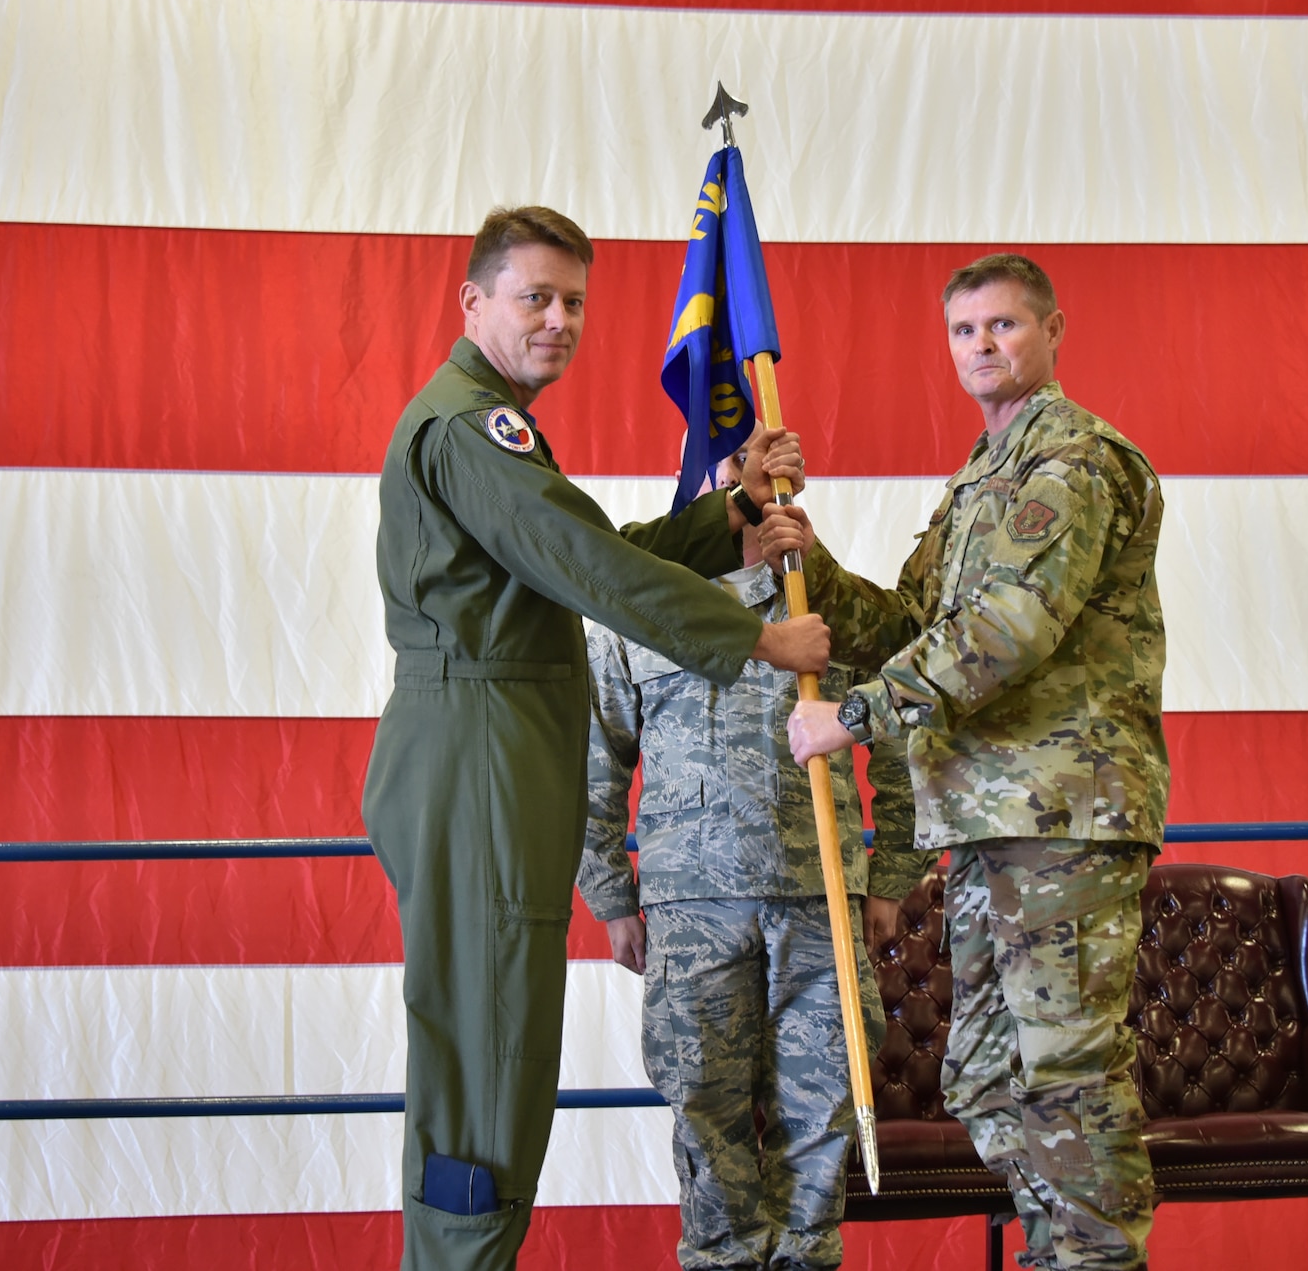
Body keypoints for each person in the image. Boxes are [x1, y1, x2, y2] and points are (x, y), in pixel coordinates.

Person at [361, 204, 830, 1271]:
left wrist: (723, 517)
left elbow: (576, 546)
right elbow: (587, 569)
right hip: (477, 751)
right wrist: (755, 640)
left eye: (574, 301)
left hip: (487, 747)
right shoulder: (468, 427)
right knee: (488, 1050)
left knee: (492, 1042)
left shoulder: (486, 427)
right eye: (535, 297)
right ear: (473, 302)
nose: (560, 319)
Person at [773, 253, 1167, 1270]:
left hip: (1059, 816)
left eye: (1002, 325)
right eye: (963, 331)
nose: (982, 346)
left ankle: (1095, 1260)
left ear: (1051, 329)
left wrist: (853, 717)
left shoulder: (1070, 463)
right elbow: (911, 624)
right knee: (988, 1079)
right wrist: (802, 560)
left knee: (1067, 1076)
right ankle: (1060, 1257)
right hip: (986, 820)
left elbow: (1008, 629)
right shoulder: (974, 485)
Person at [577, 445, 932, 1271]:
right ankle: (723, 1257)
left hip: (820, 902)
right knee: (704, 1104)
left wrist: (890, 876)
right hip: (691, 907)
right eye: (729, 459)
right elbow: (594, 759)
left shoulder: (827, 601)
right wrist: (612, 896)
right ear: (704, 477)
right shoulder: (642, 605)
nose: (753, 477)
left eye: (762, 456)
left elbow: (908, 732)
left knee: (824, 1105)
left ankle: (806, 1258)